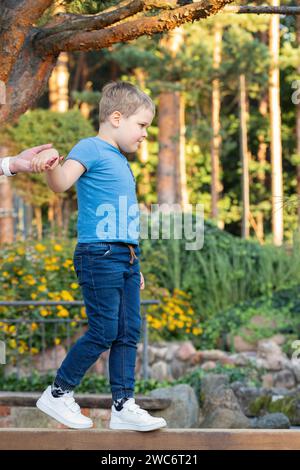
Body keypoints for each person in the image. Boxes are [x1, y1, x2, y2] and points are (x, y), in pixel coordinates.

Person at [34, 81, 167, 432]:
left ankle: (123, 406)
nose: (144, 135)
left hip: (123, 255)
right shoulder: (90, 147)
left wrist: (134, 260)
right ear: (116, 117)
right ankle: (58, 392)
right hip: (98, 253)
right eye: (141, 126)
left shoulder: (120, 160)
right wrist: (50, 164)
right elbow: (61, 182)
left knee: (128, 332)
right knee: (104, 329)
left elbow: (125, 216)